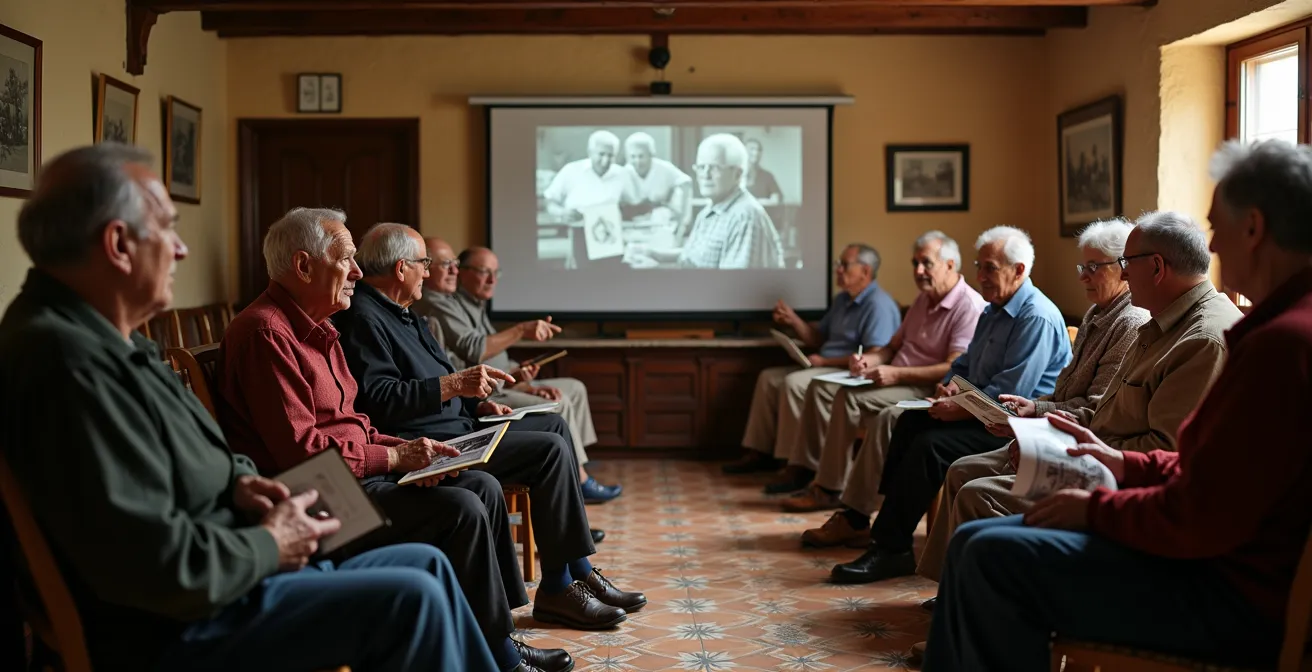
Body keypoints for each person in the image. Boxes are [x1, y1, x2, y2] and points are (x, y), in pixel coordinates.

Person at [0, 144, 495, 672]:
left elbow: (204, 451)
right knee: (410, 597)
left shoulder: (107, 340)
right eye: (167, 228)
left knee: (427, 565)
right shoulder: (67, 363)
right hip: (183, 621)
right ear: (118, 244)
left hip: (232, 566)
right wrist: (269, 542)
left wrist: (241, 482)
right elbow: (157, 563)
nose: (182, 249)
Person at [924, 139, 1312, 672]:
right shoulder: (1271, 330)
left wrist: (1095, 506)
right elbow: (1215, 472)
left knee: (989, 557)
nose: (1213, 246)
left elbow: (1202, 515)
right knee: (974, 540)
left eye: (1218, 227)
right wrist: (1127, 463)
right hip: (1209, 558)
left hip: (1223, 590)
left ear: (1255, 228)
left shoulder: (1280, 343)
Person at [215, 210, 605, 672]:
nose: (358, 273)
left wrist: (415, 453)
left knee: (478, 486)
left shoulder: (320, 327)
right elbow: (302, 453)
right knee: (461, 509)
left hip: (352, 476)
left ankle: (496, 640)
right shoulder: (267, 332)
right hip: (323, 499)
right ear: (303, 267)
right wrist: (396, 456)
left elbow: (357, 421)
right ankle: (497, 656)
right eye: (346, 260)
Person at [916, 211, 1240, 587]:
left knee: (978, 494)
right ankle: (957, 597)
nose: (1123, 274)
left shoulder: (1200, 339)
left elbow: (1166, 453)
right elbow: (1105, 409)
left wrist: (1054, 449)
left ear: (1155, 268)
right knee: (963, 469)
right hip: (1096, 450)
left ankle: (981, 606)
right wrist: (1043, 431)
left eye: (1125, 263)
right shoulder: (1160, 321)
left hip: (1119, 482)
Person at [338, 222, 645, 614]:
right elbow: (381, 400)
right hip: (431, 444)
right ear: (401, 268)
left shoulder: (405, 312)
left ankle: (577, 573)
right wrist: (454, 388)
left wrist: (477, 405)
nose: (429, 273)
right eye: (424, 264)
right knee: (549, 449)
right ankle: (557, 587)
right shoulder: (364, 318)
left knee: (554, 425)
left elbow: (440, 377)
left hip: (458, 425)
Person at [828, 225, 1071, 584]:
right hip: (984, 414)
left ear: (1019, 270)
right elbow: (965, 365)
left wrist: (957, 407)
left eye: (990, 268)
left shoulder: (1034, 316)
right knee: (909, 423)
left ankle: (890, 544)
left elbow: (1007, 395)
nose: (980, 277)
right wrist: (947, 389)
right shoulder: (993, 308)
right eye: (980, 266)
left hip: (1016, 428)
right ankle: (890, 536)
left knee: (930, 447)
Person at [783, 231, 986, 519]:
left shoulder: (969, 306)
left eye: (926, 263)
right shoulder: (922, 300)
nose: (918, 271)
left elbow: (952, 368)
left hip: (926, 386)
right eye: (915, 263)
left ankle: (851, 506)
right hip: (897, 378)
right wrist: (869, 360)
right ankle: (827, 486)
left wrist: (897, 374)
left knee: (869, 411)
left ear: (950, 265)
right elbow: (891, 348)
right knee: (843, 394)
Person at [427, 245, 623, 503]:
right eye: (484, 271)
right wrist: (521, 331)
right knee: (558, 403)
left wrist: (520, 378)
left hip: (503, 382)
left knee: (574, 387)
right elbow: (473, 351)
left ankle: (577, 465)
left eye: (496, 273)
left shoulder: (476, 304)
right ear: (462, 273)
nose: (492, 280)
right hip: (484, 394)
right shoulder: (439, 304)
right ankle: (578, 478)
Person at [722, 243, 901, 494]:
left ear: (865, 271)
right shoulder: (842, 300)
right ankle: (759, 451)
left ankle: (796, 465)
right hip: (823, 364)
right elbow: (818, 338)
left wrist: (825, 362)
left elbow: (875, 355)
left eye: (844, 264)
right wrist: (793, 320)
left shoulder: (879, 305)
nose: (838, 270)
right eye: (838, 264)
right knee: (768, 378)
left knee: (793, 383)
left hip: (848, 372)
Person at [624, 133, 785, 269]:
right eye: (701, 167)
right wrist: (653, 254)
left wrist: (658, 270)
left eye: (714, 167)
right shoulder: (709, 210)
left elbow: (731, 289)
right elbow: (692, 258)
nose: (705, 175)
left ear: (737, 174)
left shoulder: (745, 217)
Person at [542, 130, 643, 270]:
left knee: (611, 282)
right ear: (590, 152)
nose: (605, 161)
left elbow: (635, 204)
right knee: (582, 281)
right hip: (578, 233)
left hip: (611, 235)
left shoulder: (622, 174)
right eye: (601, 154)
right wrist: (562, 212)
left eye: (611, 156)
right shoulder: (571, 171)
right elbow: (550, 201)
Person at [623, 131, 693, 235]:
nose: (637, 161)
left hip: (661, 218)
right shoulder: (625, 172)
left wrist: (683, 218)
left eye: (641, 156)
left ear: (651, 155)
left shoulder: (664, 168)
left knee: (661, 215)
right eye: (633, 157)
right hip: (635, 221)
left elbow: (686, 183)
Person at [744, 138, 785, 235]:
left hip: (761, 226)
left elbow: (776, 199)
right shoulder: (736, 175)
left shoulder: (767, 176)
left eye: (759, 150)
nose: (756, 153)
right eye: (752, 149)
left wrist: (754, 202)